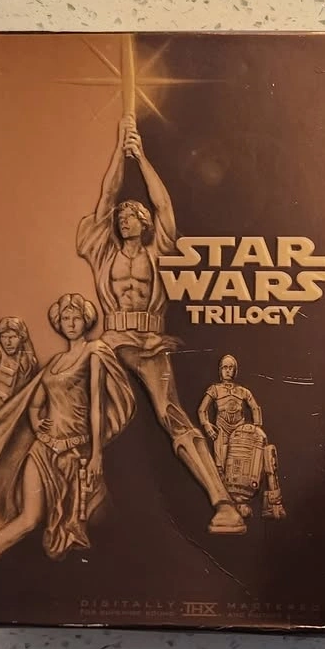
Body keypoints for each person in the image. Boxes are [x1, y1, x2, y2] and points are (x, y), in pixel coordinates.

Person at [75, 113, 245, 535]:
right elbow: (106, 194)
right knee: (78, 399)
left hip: (149, 341)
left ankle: (222, 502)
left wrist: (141, 156)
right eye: (120, 218)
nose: (122, 219)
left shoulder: (158, 252)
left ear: (144, 221)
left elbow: (164, 205)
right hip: (112, 341)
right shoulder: (103, 253)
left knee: (173, 416)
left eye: (130, 215)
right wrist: (120, 151)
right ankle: (74, 502)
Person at [0, 294, 136, 617]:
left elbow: (96, 406)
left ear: (86, 320)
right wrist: (38, 427)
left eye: (76, 317)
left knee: (100, 520)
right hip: (43, 450)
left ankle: (99, 596)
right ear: (58, 323)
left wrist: (96, 455)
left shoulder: (95, 351)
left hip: (77, 454)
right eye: (65, 318)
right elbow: (34, 404)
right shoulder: (54, 363)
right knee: (25, 522)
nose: (71, 323)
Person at [198, 354, 286, 520]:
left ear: (235, 371)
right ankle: (227, 504)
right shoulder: (215, 389)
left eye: (231, 367)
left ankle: (270, 502)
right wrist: (207, 425)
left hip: (242, 434)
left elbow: (255, 408)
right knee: (221, 467)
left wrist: (256, 428)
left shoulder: (243, 391)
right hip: (222, 432)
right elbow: (202, 410)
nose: (228, 371)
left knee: (256, 462)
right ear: (220, 370)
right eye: (225, 367)